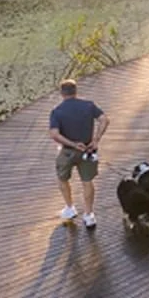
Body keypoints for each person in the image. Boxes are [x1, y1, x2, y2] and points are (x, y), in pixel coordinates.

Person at [47, 78, 109, 229]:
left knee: (62, 179)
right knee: (87, 182)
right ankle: (89, 215)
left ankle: (70, 208)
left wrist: (73, 144)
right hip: (88, 150)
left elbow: (54, 134)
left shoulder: (57, 111)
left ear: (62, 93)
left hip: (67, 152)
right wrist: (96, 140)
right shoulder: (88, 106)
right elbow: (104, 120)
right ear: (76, 91)